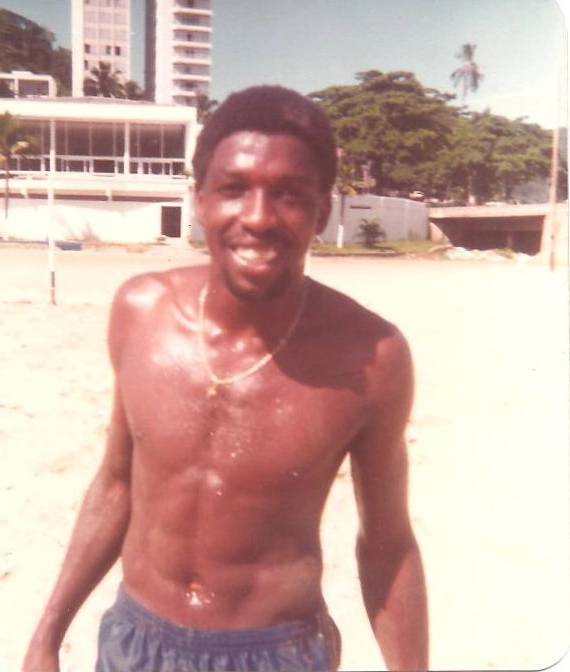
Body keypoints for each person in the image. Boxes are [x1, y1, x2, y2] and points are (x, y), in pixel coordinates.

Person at [22, 85, 428, 672]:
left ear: (323, 211)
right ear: (199, 200)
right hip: (135, 641)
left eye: (289, 195)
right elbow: (116, 483)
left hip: (275, 653)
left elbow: (388, 546)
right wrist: (47, 633)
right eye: (234, 189)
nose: (258, 219)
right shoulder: (141, 312)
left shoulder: (373, 356)